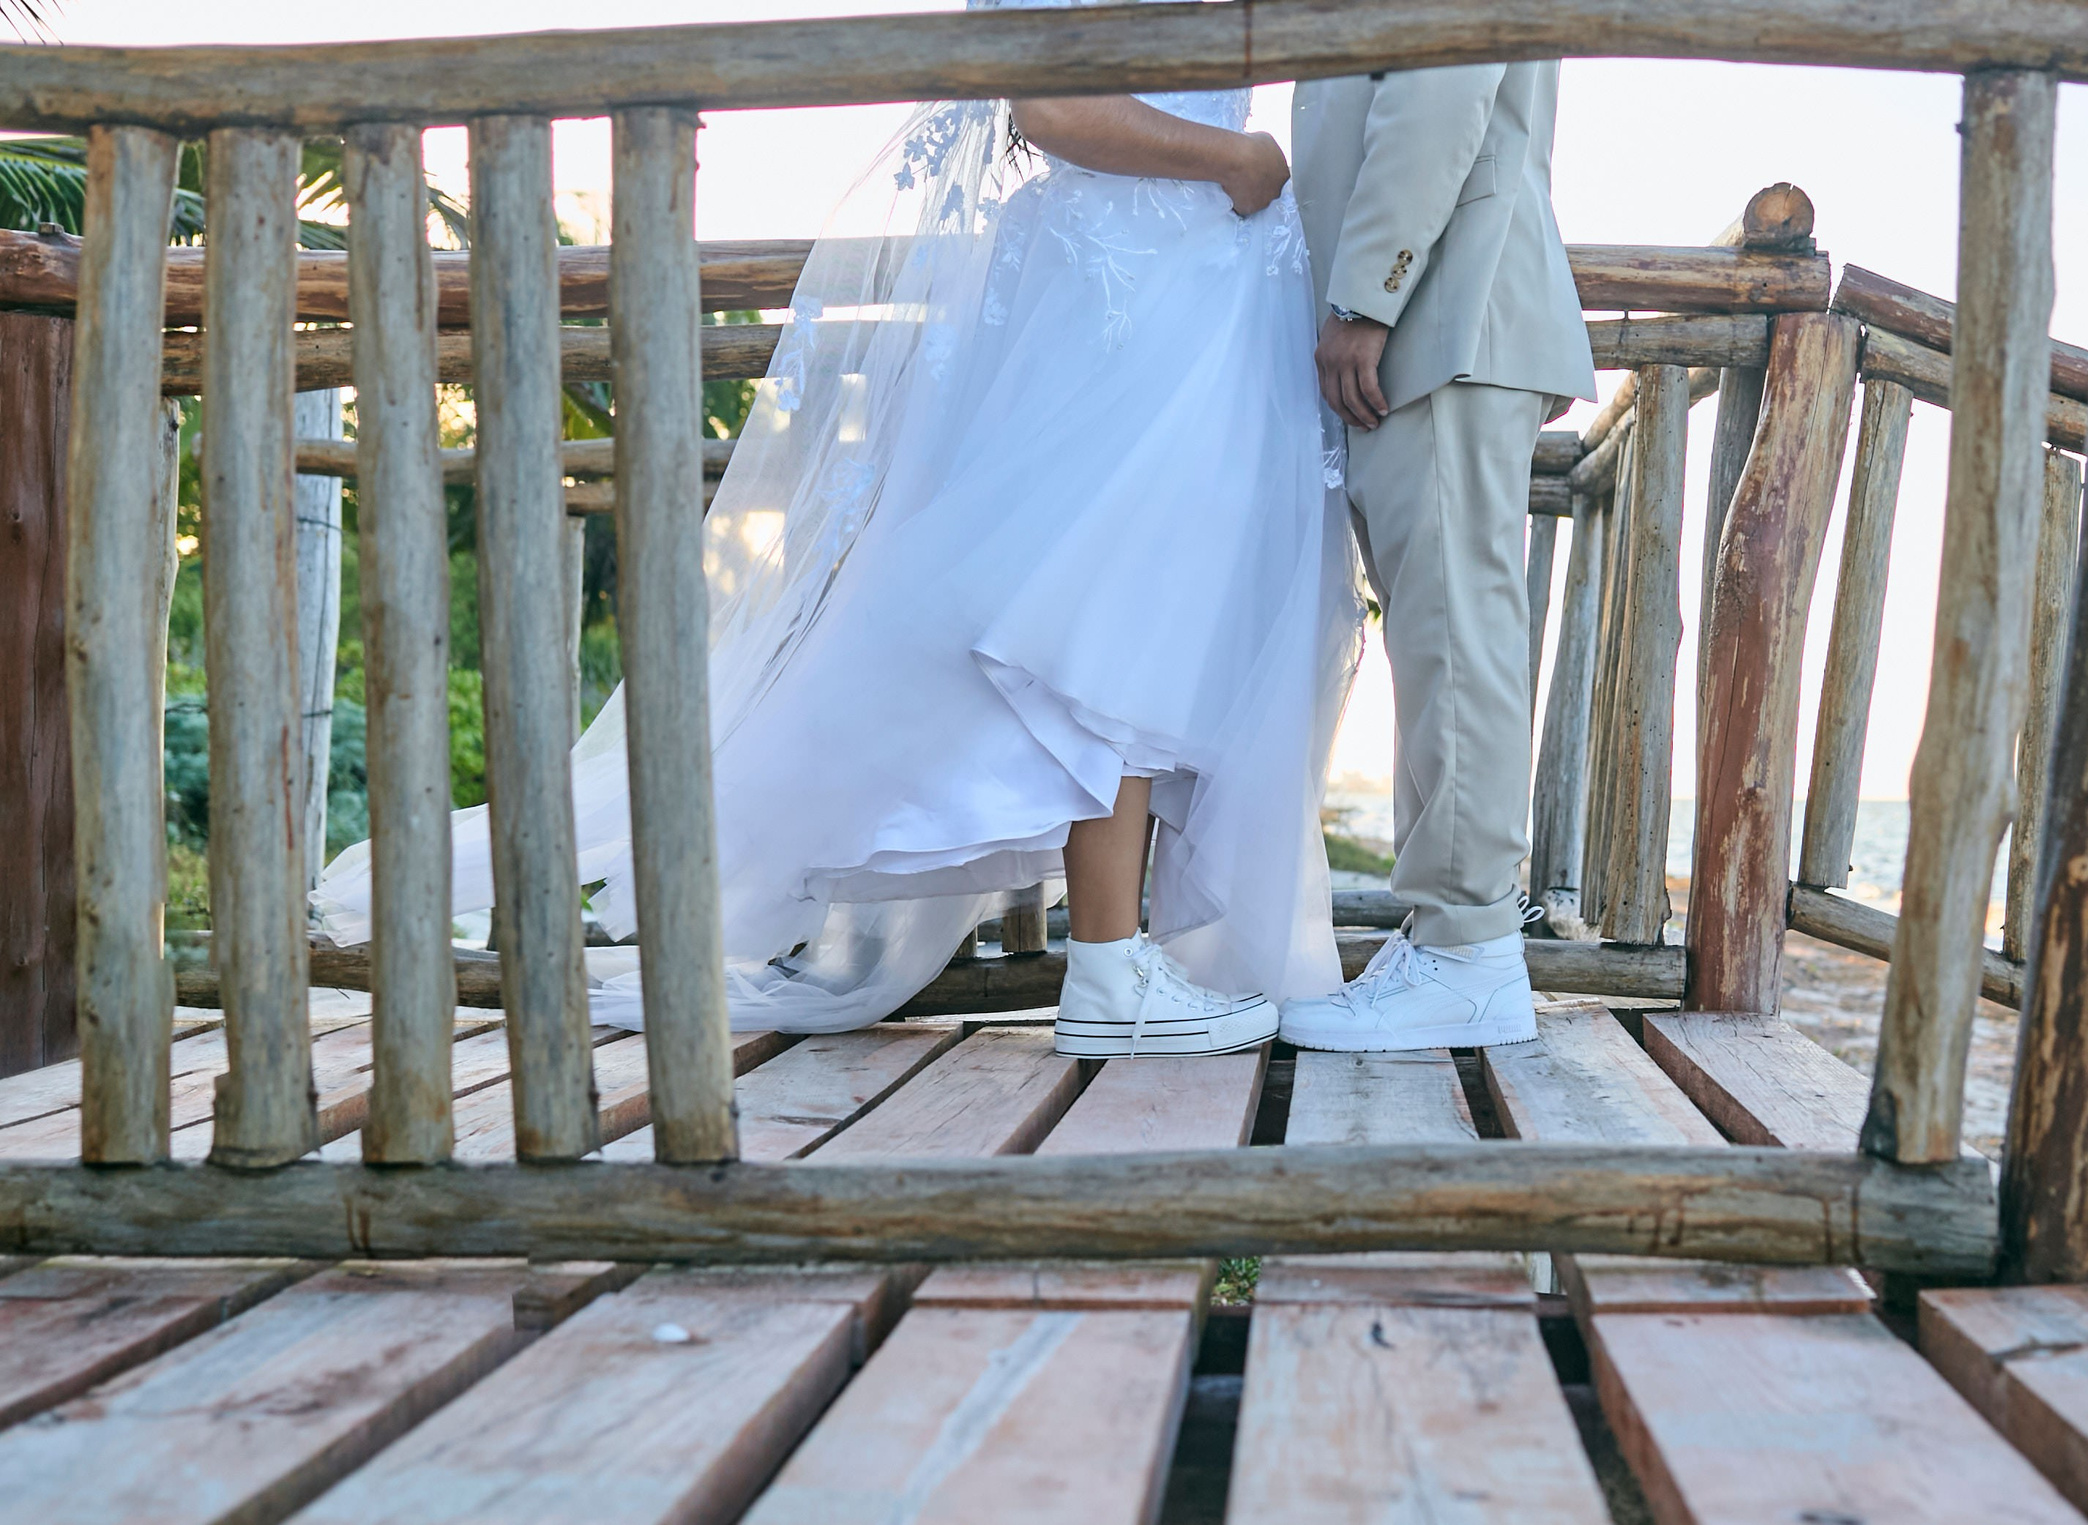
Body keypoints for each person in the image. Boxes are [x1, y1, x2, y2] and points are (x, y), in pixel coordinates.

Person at [317, 37, 1360, 1058]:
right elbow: (1051, 104)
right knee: (1102, 617)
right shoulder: (1207, 167)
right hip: (1134, 288)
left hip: (1181, 281)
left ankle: (1117, 957)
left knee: (1141, 613)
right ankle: (1106, 966)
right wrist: (1238, 159)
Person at [1281, 62, 1596, 1052]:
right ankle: (1449, 938)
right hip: (1440, 300)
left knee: (1455, 632)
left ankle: (1469, 954)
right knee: (1437, 635)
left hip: (1438, 295)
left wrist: (1364, 299)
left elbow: (1442, 77)